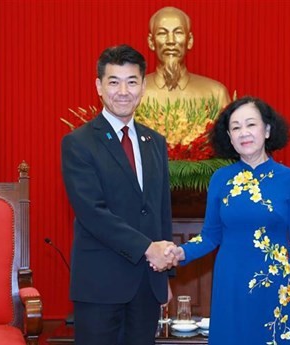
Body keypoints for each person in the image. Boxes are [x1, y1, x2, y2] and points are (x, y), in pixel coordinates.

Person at [164, 96, 290, 344]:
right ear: (229, 137)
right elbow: (211, 236)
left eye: (250, 124)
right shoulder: (220, 179)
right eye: (235, 127)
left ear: (267, 130)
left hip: (276, 288)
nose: (243, 133)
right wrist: (179, 252)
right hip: (230, 285)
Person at [61, 44, 177, 345]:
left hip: (146, 284)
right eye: (114, 81)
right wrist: (146, 248)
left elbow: (161, 210)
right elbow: (92, 213)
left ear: (143, 86)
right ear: (99, 86)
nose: (123, 91)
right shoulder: (78, 143)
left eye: (131, 81)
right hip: (100, 286)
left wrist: (164, 274)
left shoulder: (155, 142)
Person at [143, 6, 231, 109]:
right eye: (162, 33)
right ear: (151, 42)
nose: (171, 41)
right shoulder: (133, 94)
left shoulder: (216, 94)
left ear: (189, 41)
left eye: (178, 33)